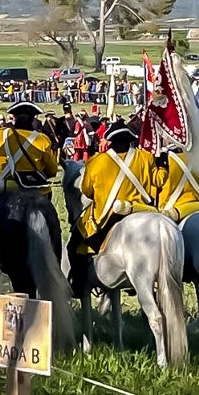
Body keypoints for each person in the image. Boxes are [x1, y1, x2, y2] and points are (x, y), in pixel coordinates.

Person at [68, 119, 159, 296]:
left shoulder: (96, 161)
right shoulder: (146, 158)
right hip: (141, 211)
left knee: (74, 244)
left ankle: (79, 285)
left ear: (110, 141)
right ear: (130, 139)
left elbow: (87, 191)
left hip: (107, 216)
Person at [0, 101, 58, 199]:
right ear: (33, 119)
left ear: (14, 117)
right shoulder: (42, 139)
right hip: (34, 189)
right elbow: (52, 171)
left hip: (4, 187)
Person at [153, 146, 199, 223]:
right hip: (196, 205)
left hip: (169, 211)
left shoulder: (160, 158)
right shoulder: (197, 155)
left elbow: (156, 185)